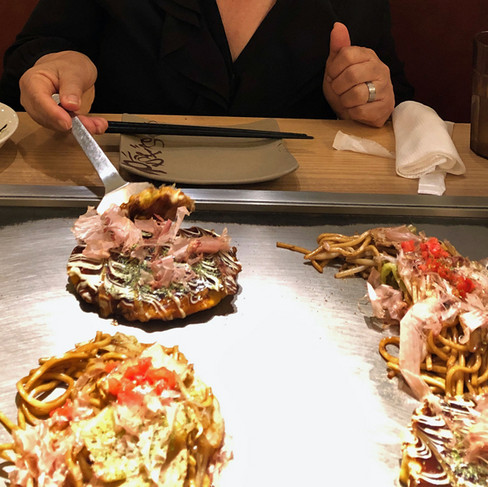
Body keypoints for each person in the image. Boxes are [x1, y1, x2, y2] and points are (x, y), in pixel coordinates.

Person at [0, 0, 413, 134]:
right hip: (114, 206)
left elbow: (393, 100)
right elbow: (38, 51)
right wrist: (58, 65)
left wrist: (364, 96)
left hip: (299, 223)